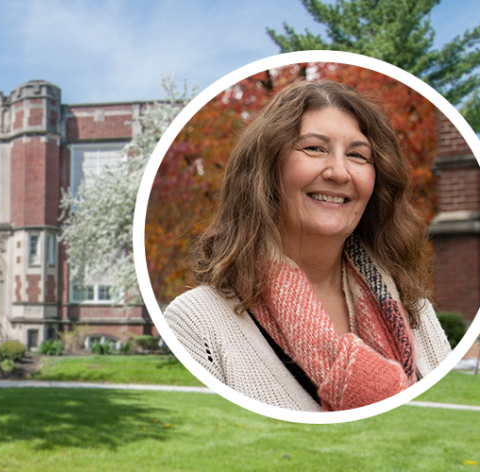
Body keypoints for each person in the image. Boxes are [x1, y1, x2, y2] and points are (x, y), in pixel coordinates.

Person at [163, 80, 452, 412]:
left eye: (358, 155)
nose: (339, 172)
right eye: (315, 148)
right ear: (267, 169)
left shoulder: (410, 306)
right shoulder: (198, 324)